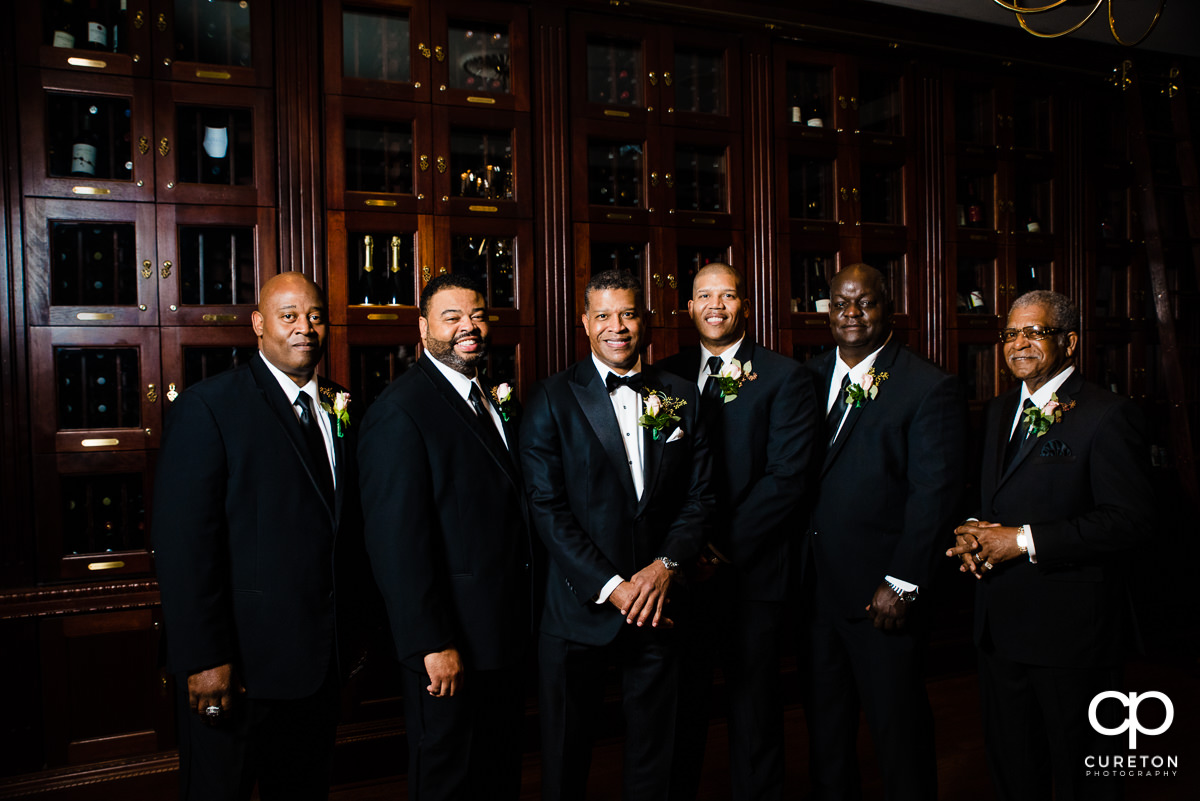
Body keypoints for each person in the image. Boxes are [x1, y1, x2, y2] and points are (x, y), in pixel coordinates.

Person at [154, 272, 366, 800]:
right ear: (258, 325)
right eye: (289, 316)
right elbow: (186, 546)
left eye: (315, 316)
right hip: (241, 666)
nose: (305, 328)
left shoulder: (344, 405)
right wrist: (204, 659)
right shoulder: (210, 407)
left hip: (320, 664)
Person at [948, 290, 1153, 801]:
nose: (1019, 344)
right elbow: (998, 497)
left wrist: (1021, 540)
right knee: (1014, 770)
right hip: (999, 627)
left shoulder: (1108, 414)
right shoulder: (998, 409)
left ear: (1070, 342)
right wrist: (975, 530)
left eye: (1034, 332)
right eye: (1011, 334)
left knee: (1085, 778)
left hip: (1072, 635)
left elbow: (1129, 521)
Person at [520, 268, 715, 800]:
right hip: (577, 608)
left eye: (628, 313)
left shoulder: (680, 394)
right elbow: (547, 506)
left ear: (645, 321)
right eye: (603, 315)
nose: (617, 326)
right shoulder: (549, 398)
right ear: (584, 323)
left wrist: (664, 568)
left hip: (660, 604)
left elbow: (700, 497)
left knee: (658, 754)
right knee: (565, 759)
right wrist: (612, 584)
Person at [358, 274, 533, 801]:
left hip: (502, 632)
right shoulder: (400, 411)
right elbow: (396, 543)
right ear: (423, 328)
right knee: (447, 776)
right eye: (451, 317)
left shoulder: (491, 395)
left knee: (497, 770)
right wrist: (432, 642)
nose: (468, 327)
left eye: (476, 315)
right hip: (449, 642)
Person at [799, 262, 966, 800]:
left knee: (900, 735)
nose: (851, 314)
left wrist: (902, 582)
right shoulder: (809, 375)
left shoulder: (927, 386)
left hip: (880, 596)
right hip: (815, 591)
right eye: (840, 303)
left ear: (887, 307)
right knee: (827, 734)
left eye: (864, 302)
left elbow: (934, 496)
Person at [658, 262, 817, 801]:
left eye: (727, 296)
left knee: (754, 713)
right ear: (688, 306)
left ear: (744, 305)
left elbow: (787, 481)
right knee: (680, 711)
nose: (716, 307)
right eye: (705, 296)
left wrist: (714, 547)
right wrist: (678, 554)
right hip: (679, 578)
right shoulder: (664, 374)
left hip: (751, 575)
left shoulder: (785, 376)